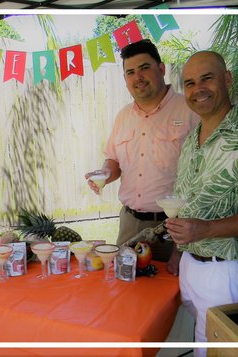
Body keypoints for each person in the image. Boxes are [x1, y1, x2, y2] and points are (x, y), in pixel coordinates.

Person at [165, 51, 238, 354]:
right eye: (189, 83)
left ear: (227, 79)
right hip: (191, 265)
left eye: (207, 78)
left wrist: (206, 230)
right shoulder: (191, 139)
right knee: (201, 343)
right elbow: (186, 203)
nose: (197, 89)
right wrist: (178, 250)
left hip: (231, 271)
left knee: (214, 351)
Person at [86, 39, 199, 275]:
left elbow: (203, 174)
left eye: (144, 68)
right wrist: (105, 174)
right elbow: (114, 160)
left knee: (172, 294)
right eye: (130, 72)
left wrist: (182, 247)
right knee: (125, 289)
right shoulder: (123, 116)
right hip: (130, 223)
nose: (138, 77)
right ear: (126, 80)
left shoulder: (190, 111)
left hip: (172, 226)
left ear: (161, 69)